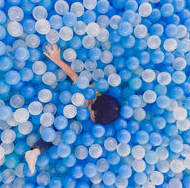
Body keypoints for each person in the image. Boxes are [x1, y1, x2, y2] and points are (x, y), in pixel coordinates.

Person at [25, 43, 120, 174]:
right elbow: (73, 74)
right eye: (93, 115)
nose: (92, 119)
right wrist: (57, 60)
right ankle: (35, 152)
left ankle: (35, 152)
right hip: (58, 102)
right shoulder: (89, 91)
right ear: (94, 103)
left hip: (64, 118)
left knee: (56, 133)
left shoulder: (95, 112)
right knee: (56, 127)